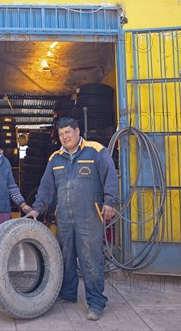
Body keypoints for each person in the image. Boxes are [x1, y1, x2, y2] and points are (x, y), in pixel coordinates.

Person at [25, 117, 118, 321]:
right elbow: (46, 187)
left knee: (90, 259)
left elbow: (110, 176)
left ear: (77, 132)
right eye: (61, 134)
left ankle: (96, 302)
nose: (65, 137)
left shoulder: (96, 151)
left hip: (90, 216)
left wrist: (110, 201)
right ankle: (68, 293)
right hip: (65, 217)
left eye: (68, 132)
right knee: (65, 257)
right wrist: (37, 209)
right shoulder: (55, 159)